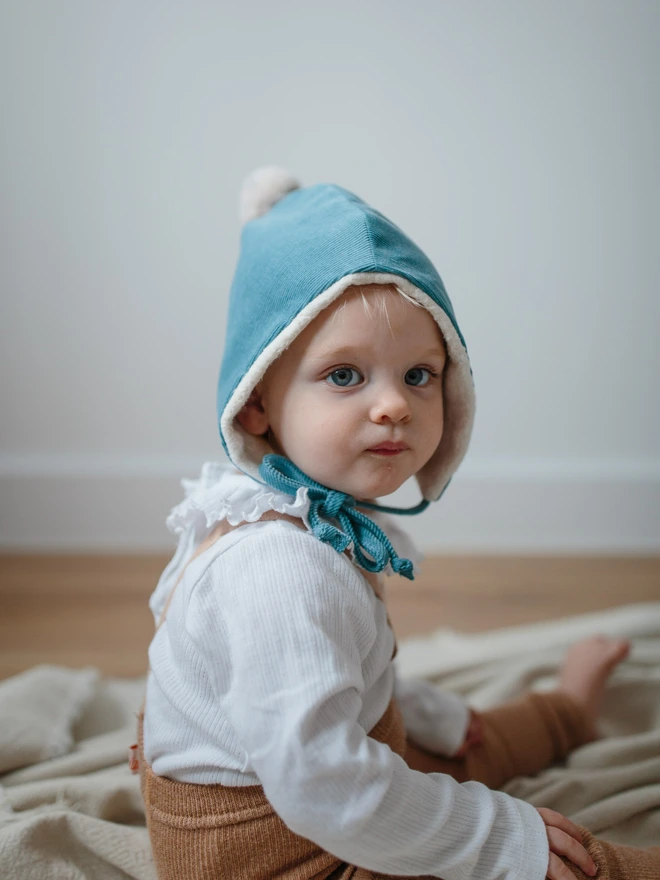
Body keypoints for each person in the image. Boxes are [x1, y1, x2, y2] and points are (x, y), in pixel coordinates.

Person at [136, 167, 660, 880]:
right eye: (346, 376)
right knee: (542, 857)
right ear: (257, 403)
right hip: (284, 850)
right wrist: (505, 841)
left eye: (419, 374)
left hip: (318, 781)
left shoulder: (302, 522)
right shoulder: (277, 567)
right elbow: (324, 781)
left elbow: (331, 674)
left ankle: (567, 713)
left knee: (461, 746)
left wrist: (437, 718)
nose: (395, 407)